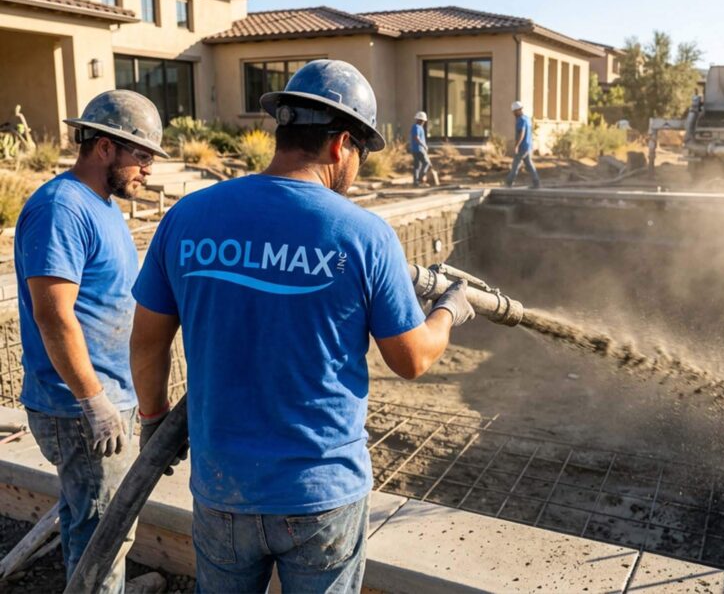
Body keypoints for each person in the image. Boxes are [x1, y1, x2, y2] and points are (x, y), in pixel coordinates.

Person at [130, 59, 474, 593]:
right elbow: (411, 359)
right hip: (321, 495)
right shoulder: (365, 236)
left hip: (223, 488)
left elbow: (148, 341)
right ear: (341, 144)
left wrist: (154, 421)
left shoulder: (188, 217)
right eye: (361, 153)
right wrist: (450, 310)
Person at [15, 90, 167, 593]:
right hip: (79, 408)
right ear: (104, 147)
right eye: (141, 155)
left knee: (91, 516)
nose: (148, 169)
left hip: (101, 397)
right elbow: (53, 315)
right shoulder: (62, 208)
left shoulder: (99, 205)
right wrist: (93, 400)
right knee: (103, 530)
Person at [505, 100, 540, 188]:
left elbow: (522, 133)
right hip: (528, 146)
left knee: (515, 165)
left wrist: (516, 146)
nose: (513, 113)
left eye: (514, 111)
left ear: (517, 110)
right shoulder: (527, 119)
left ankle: (509, 182)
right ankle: (536, 182)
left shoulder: (520, 120)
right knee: (529, 164)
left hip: (522, 147)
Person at [409, 110, 432, 186]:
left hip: (415, 149)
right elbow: (417, 138)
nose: (424, 122)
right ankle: (421, 178)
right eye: (423, 121)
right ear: (421, 120)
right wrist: (424, 145)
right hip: (419, 149)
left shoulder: (417, 127)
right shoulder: (416, 127)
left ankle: (416, 182)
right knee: (427, 163)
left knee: (417, 166)